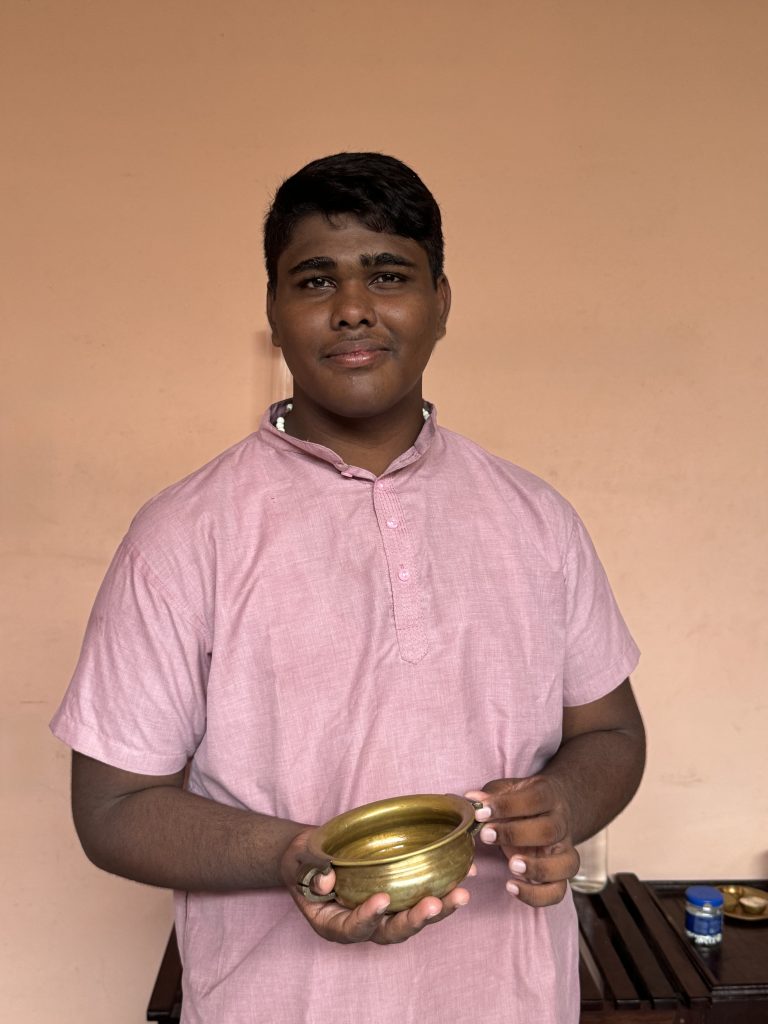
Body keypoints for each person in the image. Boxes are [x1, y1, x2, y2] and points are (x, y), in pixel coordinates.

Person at [51, 152, 645, 1024]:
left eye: (390, 274)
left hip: (512, 1000)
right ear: (273, 309)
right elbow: (112, 808)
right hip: (275, 1001)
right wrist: (294, 854)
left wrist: (561, 803)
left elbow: (610, 731)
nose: (354, 307)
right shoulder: (182, 536)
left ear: (442, 302)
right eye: (315, 278)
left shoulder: (535, 518)